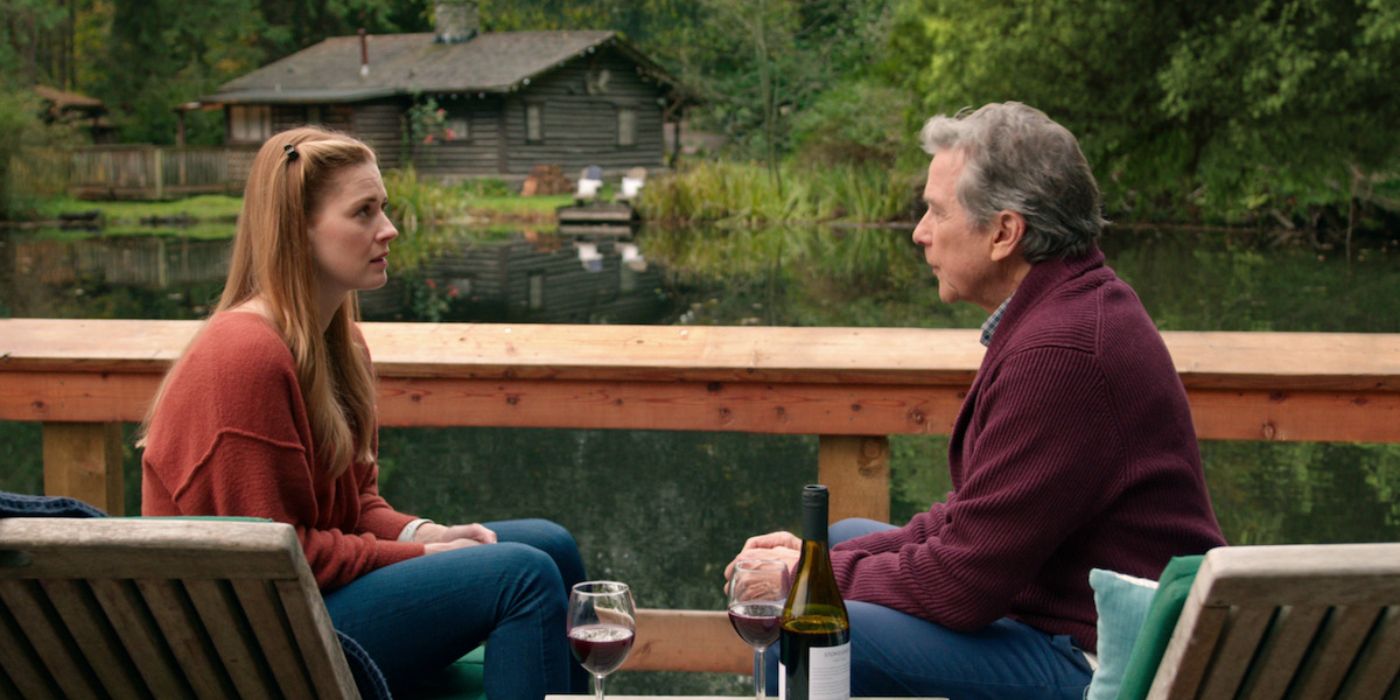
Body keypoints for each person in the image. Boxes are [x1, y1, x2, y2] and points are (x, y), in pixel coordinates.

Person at [728, 102, 1226, 699]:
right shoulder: (1068, 309)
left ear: (1004, 233)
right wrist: (815, 562)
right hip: (1063, 617)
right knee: (838, 540)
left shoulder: (1063, 352)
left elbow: (963, 582)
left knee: (815, 623)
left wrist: (803, 583)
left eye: (937, 211)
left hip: (1116, 662)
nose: (920, 231)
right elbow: (976, 517)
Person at [140, 126, 586, 699]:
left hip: (307, 600)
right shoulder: (241, 357)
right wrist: (421, 555)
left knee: (550, 545)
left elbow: (355, 507)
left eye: (385, 207)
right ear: (297, 231)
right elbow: (274, 557)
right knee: (521, 577)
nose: (389, 229)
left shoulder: (337, 343)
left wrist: (423, 532)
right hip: (247, 644)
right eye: (363, 212)